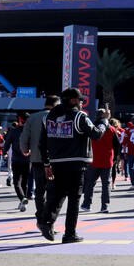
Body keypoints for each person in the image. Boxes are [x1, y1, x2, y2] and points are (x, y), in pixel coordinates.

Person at [38, 89, 107, 243]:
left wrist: (46, 162)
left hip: (56, 162)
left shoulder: (50, 116)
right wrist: (104, 122)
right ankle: (70, 233)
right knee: (74, 198)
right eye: (80, 100)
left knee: (58, 194)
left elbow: (43, 141)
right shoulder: (79, 116)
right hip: (76, 163)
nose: (82, 103)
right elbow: (96, 134)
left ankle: (46, 221)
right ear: (73, 100)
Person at [20, 95, 58, 225]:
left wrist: (25, 150)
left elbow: (24, 137)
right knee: (53, 190)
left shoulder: (32, 117)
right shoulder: (58, 117)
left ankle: (40, 216)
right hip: (55, 160)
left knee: (40, 190)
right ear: (56, 105)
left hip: (36, 158)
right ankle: (49, 219)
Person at [82, 109, 121, 213]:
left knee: (90, 183)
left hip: (93, 159)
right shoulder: (112, 129)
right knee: (106, 184)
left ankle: (86, 204)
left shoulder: (92, 128)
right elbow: (117, 145)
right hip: (107, 160)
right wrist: (115, 158)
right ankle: (104, 206)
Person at [4, 114, 32, 212]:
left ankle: (22, 198)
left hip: (16, 160)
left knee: (17, 182)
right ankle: (23, 202)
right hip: (28, 160)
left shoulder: (13, 131)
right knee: (25, 182)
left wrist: (4, 152)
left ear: (19, 121)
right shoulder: (30, 131)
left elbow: (7, 143)